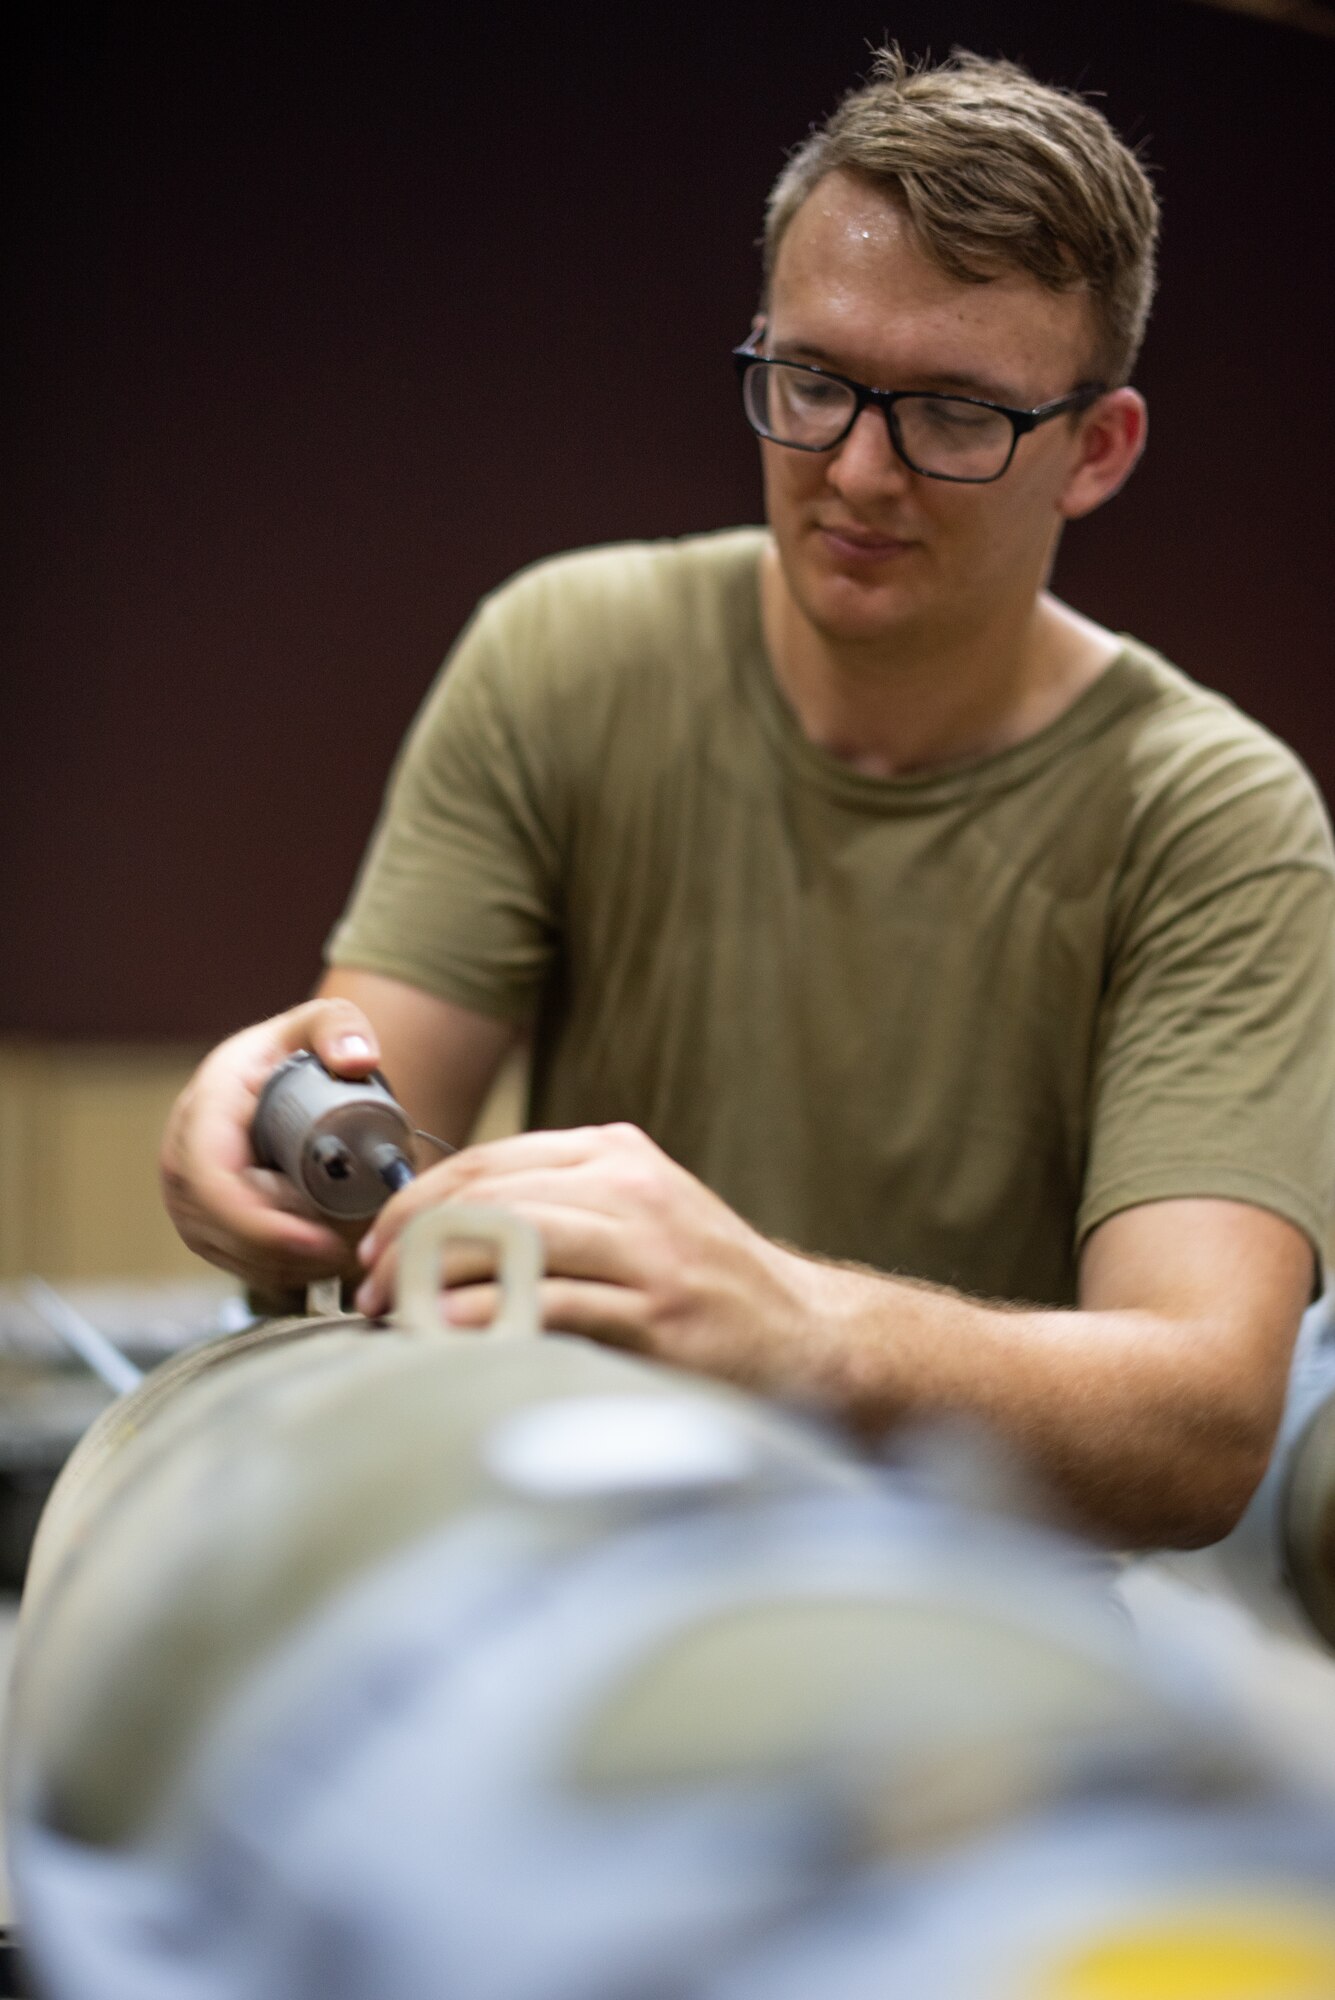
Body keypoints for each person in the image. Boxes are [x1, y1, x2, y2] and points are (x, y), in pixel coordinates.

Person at [162, 49, 1335, 1548]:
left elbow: (1202, 1421)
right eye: (813, 381)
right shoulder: (565, 655)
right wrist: (266, 1147)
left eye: (956, 415)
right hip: (566, 1555)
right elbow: (375, 1157)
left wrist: (796, 1330)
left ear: (1095, 451)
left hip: (987, 1649)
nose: (855, 471)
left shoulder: (1216, 818)